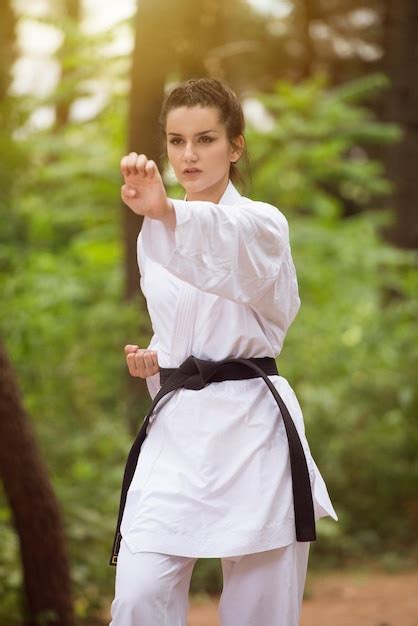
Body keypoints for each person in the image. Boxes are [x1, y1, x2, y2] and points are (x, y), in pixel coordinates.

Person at [108, 77, 338, 626]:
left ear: (235, 147)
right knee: (141, 595)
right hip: (179, 430)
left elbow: (228, 260)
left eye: (206, 139)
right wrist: (157, 358)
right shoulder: (153, 230)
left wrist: (167, 213)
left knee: (258, 613)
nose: (189, 155)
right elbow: (186, 328)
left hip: (254, 429)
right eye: (177, 140)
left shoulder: (262, 224)